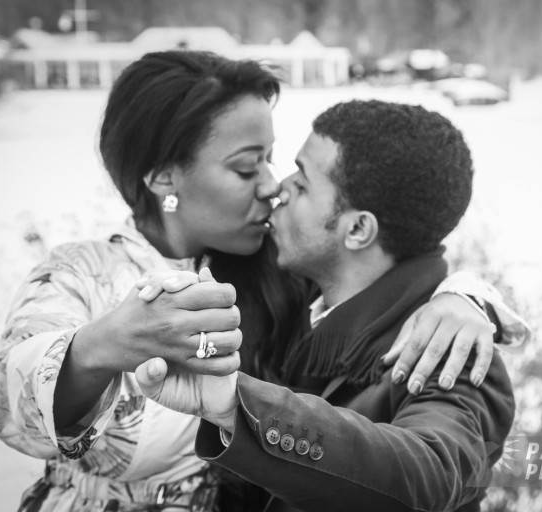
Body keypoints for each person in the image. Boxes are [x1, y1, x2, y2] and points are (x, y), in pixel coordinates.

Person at [0, 51, 527, 512]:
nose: (272, 186)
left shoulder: (268, 269)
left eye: (272, 160)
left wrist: (464, 294)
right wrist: (99, 348)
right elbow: (11, 400)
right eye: (248, 168)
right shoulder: (80, 272)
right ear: (163, 178)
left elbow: (379, 265)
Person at [135, 100, 516, 512]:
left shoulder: (447, 348)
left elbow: (431, 471)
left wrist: (235, 403)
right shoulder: (296, 290)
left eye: (302, 184)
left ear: (356, 229)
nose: (279, 188)